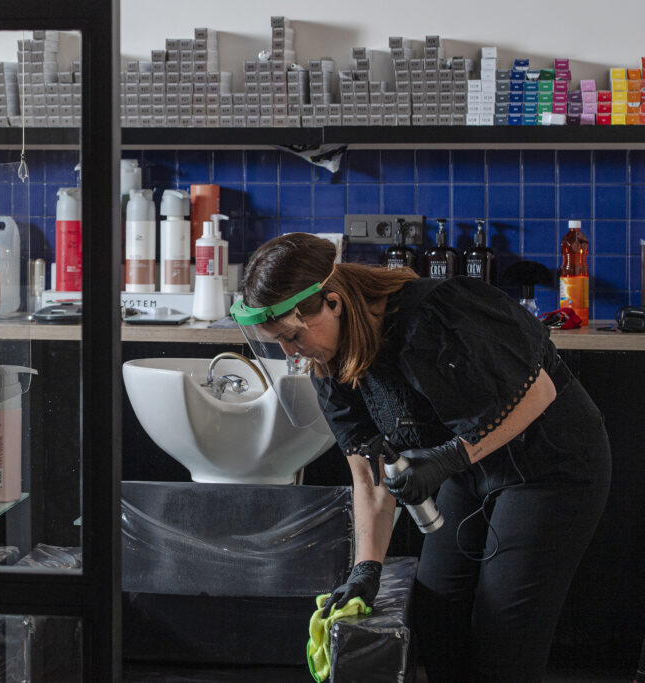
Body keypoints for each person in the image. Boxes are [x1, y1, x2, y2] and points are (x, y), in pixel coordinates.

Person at [233, 233, 611, 682]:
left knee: (504, 637)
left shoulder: (437, 312)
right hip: (469, 468)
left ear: (333, 302)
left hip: (549, 463)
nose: (290, 352)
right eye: (277, 342)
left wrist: (448, 459)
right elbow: (369, 474)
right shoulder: (330, 366)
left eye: (293, 336)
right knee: (437, 617)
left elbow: (539, 393)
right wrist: (366, 569)